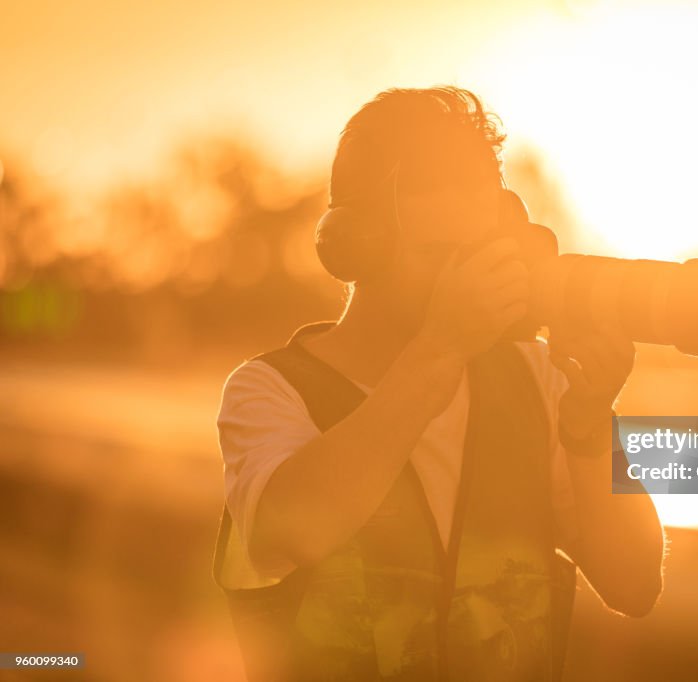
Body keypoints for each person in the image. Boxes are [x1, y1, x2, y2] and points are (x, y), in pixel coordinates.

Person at [213, 86, 664, 681]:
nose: (468, 278)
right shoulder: (268, 391)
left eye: (479, 253)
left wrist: (589, 426)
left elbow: (633, 584)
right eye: (441, 256)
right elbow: (295, 530)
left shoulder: (535, 378)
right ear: (356, 248)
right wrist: (443, 346)